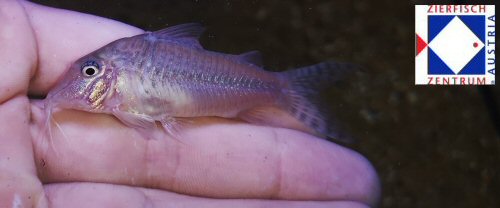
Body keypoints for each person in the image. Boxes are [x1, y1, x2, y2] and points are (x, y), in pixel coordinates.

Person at [0, 0, 380, 207]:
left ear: (109, 74)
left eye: (89, 72)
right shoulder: (117, 74)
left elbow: (143, 116)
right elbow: (142, 117)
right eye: (89, 71)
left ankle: (292, 92)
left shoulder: (121, 68)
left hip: (249, 87)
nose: (81, 80)